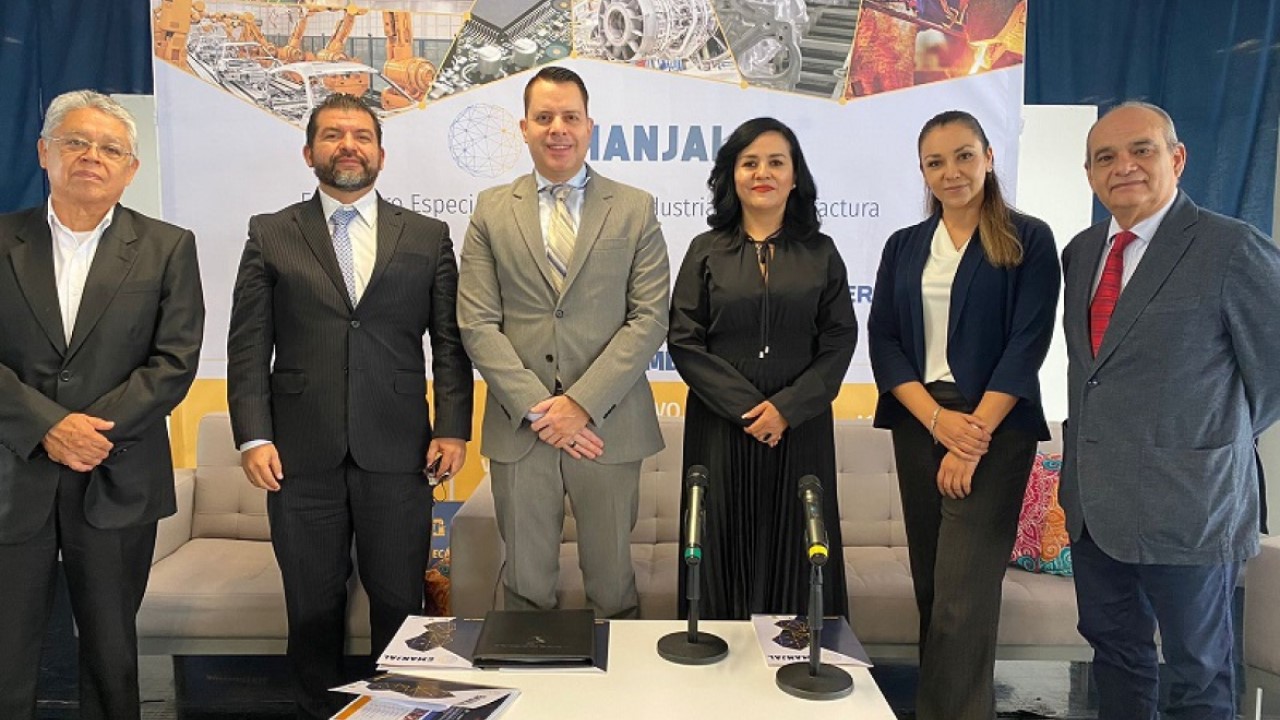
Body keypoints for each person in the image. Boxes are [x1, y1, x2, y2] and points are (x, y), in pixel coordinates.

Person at [227, 93, 472, 719]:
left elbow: (449, 343)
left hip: (399, 450)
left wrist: (452, 427)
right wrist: (254, 436)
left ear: (381, 155)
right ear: (308, 152)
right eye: (333, 135)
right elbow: (248, 345)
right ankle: (318, 711)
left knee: (401, 602)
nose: (348, 146)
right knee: (312, 606)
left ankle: (404, 710)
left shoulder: (427, 236)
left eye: (361, 135)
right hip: (298, 456)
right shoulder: (271, 233)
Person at [1061, 101, 1280, 720]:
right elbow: (1093, 376)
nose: (1123, 166)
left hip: (1190, 508)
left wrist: (1209, 441)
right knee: (1116, 660)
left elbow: (1272, 372)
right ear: (1089, 173)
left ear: (1177, 158)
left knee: (1198, 674)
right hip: (1095, 508)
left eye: (1142, 150)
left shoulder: (1231, 247)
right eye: (1105, 157)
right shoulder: (1081, 253)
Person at [0, 90, 205, 720]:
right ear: (44, 152)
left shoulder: (168, 246)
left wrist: (88, 433)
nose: (92, 156)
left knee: (112, 657)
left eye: (110, 148)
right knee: (6, 655)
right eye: (76, 142)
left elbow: (174, 362)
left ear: (130, 169)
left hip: (117, 473)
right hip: (12, 471)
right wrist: (48, 426)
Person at [457, 65, 669, 619]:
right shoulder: (490, 209)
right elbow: (477, 322)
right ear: (524, 128)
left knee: (613, 588)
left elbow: (649, 319)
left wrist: (579, 406)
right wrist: (538, 407)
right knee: (525, 587)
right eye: (544, 117)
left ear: (589, 126)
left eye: (570, 117)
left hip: (608, 428)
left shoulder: (635, 207)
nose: (558, 129)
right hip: (521, 430)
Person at [867, 109, 1059, 720]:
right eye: (936, 162)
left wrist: (969, 437)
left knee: (962, 600)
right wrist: (935, 421)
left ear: (989, 158)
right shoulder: (904, 245)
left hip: (993, 430)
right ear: (923, 172)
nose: (951, 172)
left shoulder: (1028, 239)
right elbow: (884, 342)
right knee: (933, 591)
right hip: (921, 422)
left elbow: (1027, 344)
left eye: (964, 156)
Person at [667, 117, 857, 619]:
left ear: (795, 176)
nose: (762, 173)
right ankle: (719, 655)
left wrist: (786, 409)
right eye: (749, 163)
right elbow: (684, 339)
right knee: (718, 538)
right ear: (732, 175)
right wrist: (750, 409)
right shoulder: (705, 250)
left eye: (776, 162)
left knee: (799, 542)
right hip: (721, 424)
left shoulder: (821, 252)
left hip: (800, 426)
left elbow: (840, 339)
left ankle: (798, 654)